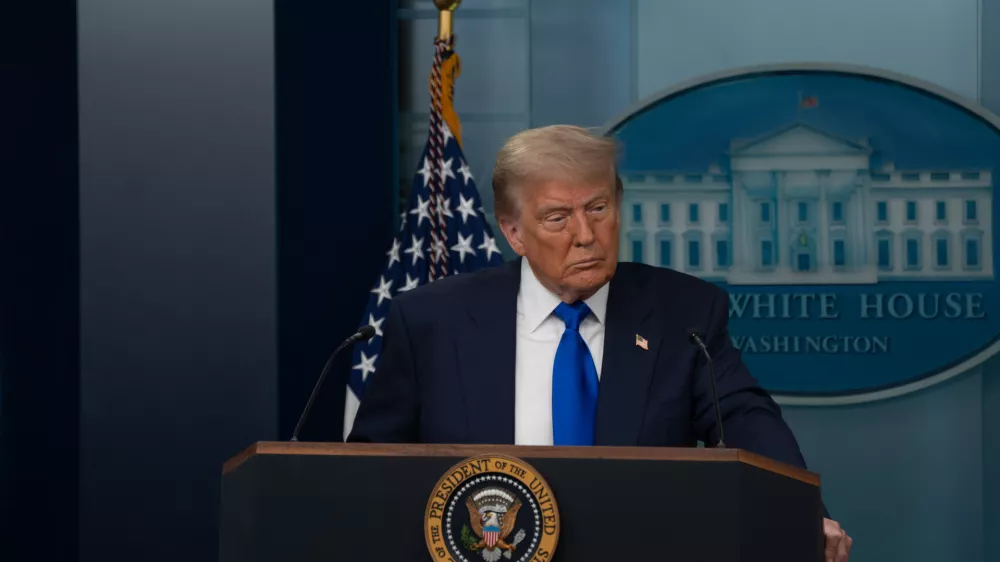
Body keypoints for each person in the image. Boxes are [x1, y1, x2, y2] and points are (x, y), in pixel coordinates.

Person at [349, 124, 852, 562]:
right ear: (513, 233)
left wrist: (801, 513)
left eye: (598, 208)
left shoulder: (684, 312)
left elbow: (745, 416)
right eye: (557, 218)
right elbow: (369, 470)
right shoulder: (433, 321)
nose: (586, 234)